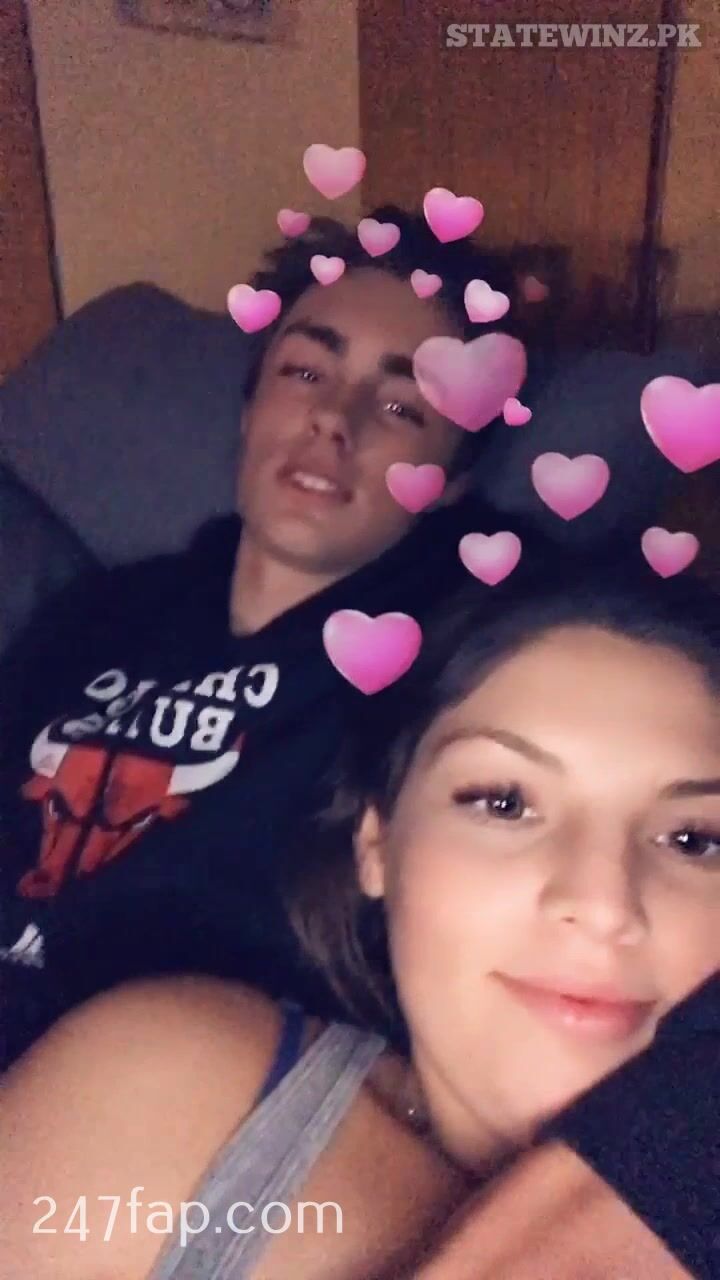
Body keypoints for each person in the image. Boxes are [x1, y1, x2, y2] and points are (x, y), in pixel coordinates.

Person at [2, 556, 719, 1280]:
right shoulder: (170, 1095)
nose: (601, 903)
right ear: (377, 847)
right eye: (503, 803)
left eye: (693, 840)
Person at [0, 204, 531, 1060]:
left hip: (160, 1089)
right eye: (306, 371)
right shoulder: (95, 615)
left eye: (403, 406)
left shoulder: (468, 654)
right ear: (251, 410)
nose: (336, 418)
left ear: (452, 483)